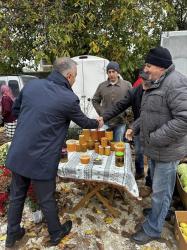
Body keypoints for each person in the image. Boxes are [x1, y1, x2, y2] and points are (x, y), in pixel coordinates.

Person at [5, 57, 102, 248]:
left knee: (17, 196)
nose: (74, 81)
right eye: (75, 78)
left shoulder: (32, 86)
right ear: (69, 75)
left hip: (19, 152)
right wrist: (97, 122)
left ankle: (12, 235)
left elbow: (16, 111)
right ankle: (56, 233)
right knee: (46, 198)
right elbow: (83, 122)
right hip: (42, 158)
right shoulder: (68, 98)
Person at [125, 46, 187, 245]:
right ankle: (162, 212)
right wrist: (134, 127)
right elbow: (148, 114)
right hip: (155, 149)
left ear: (161, 66)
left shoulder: (176, 83)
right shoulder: (155, 82)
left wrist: (154, 138)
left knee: (161, 191)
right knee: (161, 190)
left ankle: (153, 228)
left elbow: (183, 120)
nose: (146, 69)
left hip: (167, 151)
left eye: (149, 65)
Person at [101, 71, 152, 186]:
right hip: (138, 127)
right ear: (141, 79)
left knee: (152, 156)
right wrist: (103, 118)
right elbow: (120, 106)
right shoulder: (135, 91)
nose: (145, 84)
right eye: (143, 80)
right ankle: (139, 172)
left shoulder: (156, 91)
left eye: (148, 81)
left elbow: (149, 113)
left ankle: (150, 182)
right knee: (138, 151)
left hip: (153, 128)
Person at [92, 61, 131, 141]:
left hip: (120, 122)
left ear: (118, 72)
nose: (111, 74)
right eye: (109, 72)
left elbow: (132, 101)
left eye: (113, 71)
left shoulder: (127, 85)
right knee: (105, 145)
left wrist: (127, 112)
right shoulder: (102, 86)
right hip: (105, 122)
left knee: (118, 147)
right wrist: (102, 112)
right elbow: (95, 100)